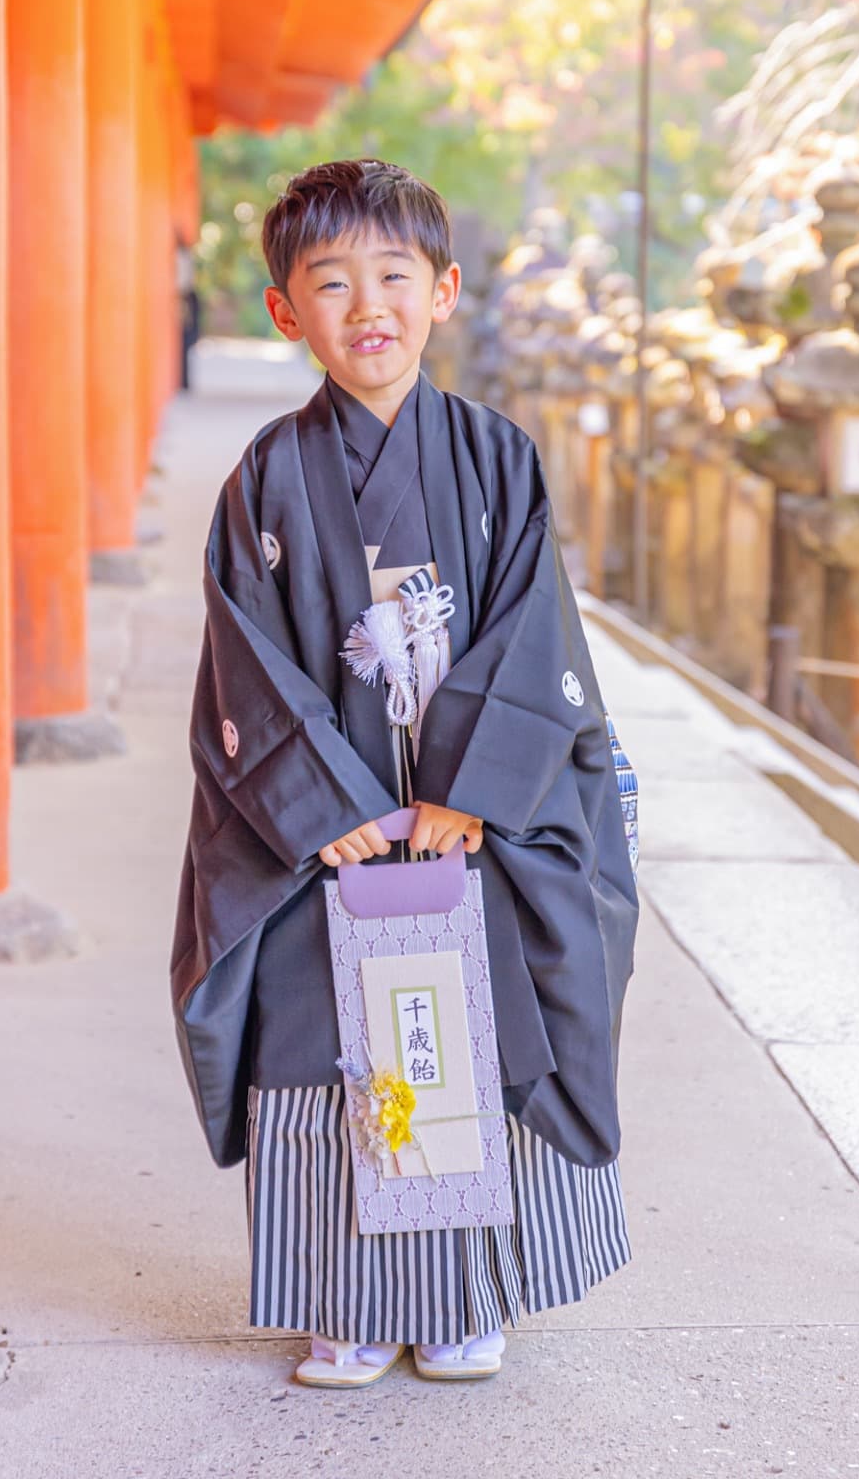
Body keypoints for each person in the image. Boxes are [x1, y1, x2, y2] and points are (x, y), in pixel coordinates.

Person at [171, 158, 637, 1390]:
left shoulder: (495, 458)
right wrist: (317, 808)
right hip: (342, 842)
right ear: (285, 311)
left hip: (461, 833)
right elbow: (243, 659)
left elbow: (538, 634)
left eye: (393, 275)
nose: (364, 305)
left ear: (443, 290)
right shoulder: (265, 478)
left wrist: (471, 787)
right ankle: (351, 1302)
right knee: (331, 1053)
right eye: (330, 282)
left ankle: (468, 1296)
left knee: (469, 1043)